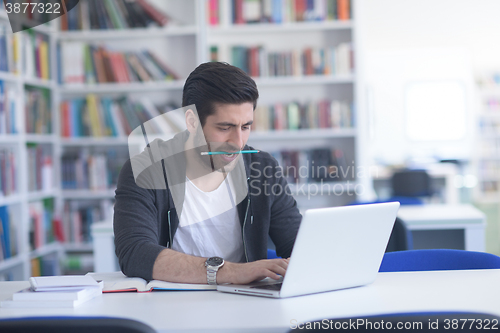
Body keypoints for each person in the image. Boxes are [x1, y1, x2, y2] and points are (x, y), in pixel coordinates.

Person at [114, 62, 302, 285]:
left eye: (245, 127)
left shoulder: (262, 168)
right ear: (192, 121)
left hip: (246, 303)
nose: (238, 143)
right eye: (224, 128)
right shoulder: (147, 169)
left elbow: (298, 245)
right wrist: (231, 272)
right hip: (169, 306)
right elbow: (135, 254)